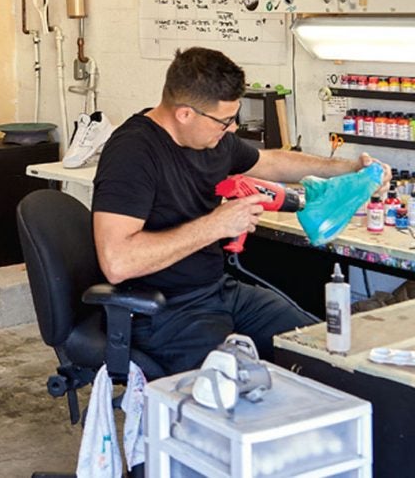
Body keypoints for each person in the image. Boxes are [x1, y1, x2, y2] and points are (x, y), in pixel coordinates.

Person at [91, 47, 388, 375]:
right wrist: (216, 225)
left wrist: (349, 170)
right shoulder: (132, 153)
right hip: (163, 311)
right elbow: (117, 262)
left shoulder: (211, 140)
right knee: (237, 390)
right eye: (225, 121)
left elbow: (270, 161)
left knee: (323, 349)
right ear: (185, 113)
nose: (232, 129)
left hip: (218, 291)